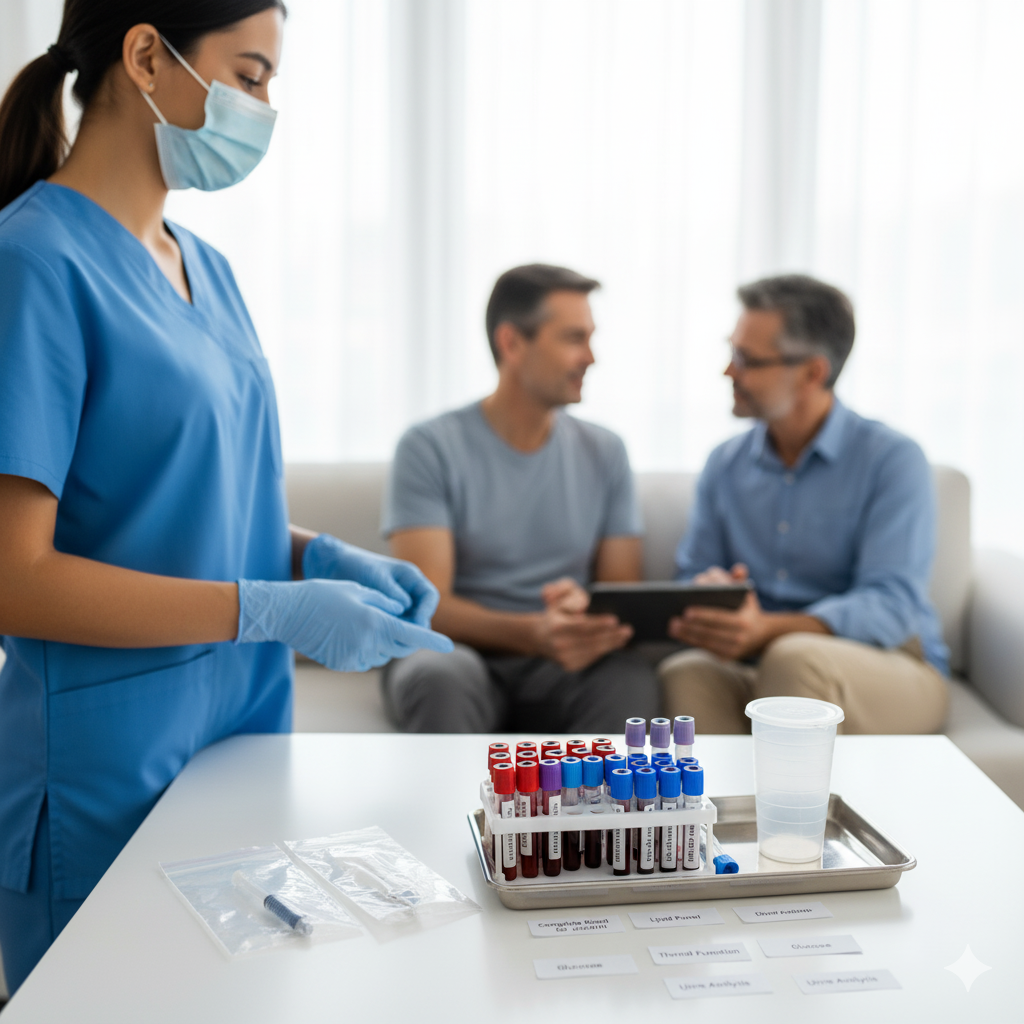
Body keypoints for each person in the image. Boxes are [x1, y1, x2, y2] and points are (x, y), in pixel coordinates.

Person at [0, 0, 450, 994]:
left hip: (240, 734)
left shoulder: (209, 268)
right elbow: (13, 578)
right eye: (248, 77)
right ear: (146, 57)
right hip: (105, 763)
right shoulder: (31, 262)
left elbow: (183, 491)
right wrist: (267, 608)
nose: (263, 108)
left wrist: (312, 557)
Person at [659, 274, 949, 733]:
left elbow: (891, 606)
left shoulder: (891, 459)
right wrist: (710, 592)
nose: (728, 371)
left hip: (886, 664)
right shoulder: (725, 464)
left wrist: (769, 628)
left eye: (746, 359)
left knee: (793, 658)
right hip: (761, 662)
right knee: (687, 671)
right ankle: (725, 808)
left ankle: (789, 807)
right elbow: (691, 572)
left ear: (813, 372)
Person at [382, 264, 660, 733]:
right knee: (438, 676)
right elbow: (426, 604)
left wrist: (584, 609)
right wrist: (533, 633)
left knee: (626, 681)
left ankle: (603, 811)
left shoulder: (606, 451)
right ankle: (446, 810)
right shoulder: (429, 446)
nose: (591, 357)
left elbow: (620, 595)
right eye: (573, 338)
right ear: (511, 343)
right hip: (459, 651)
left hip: (561, 661)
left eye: (590, 338)